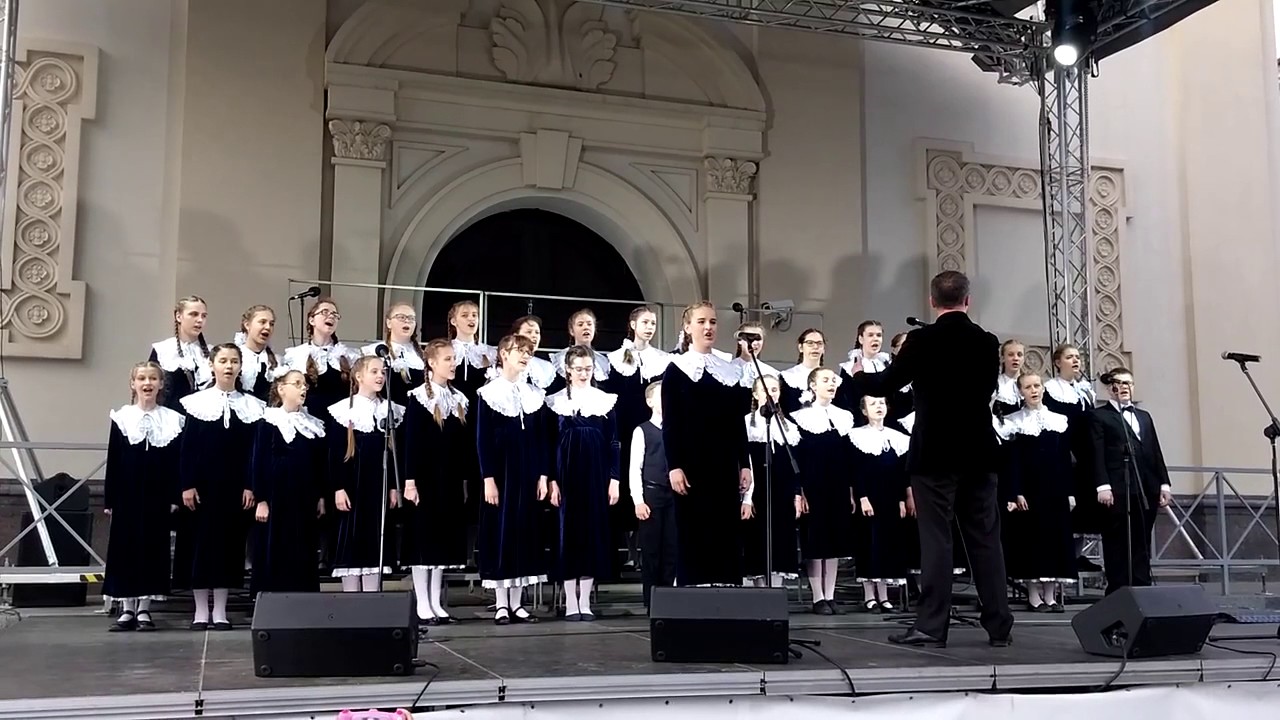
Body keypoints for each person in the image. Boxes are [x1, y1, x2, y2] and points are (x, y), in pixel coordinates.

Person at [847, 270, 1013, 647]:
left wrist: (859, 376)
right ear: (967, 300)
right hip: (979, 451)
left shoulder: (921, 340)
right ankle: (999, 625)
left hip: (935, 452)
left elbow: (886, 385)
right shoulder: (986, 341)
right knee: (986, 540)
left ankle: (932, 626)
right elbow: (988, 387)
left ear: (932, 301)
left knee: (937, 539)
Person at [1090, 367, 1172, 594]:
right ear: (1110, 388)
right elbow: (1096, 453)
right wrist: (1102, 485)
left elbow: (1155, 450)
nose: (1125, 387)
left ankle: (1142, 588)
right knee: (1117, 540)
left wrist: (1164, 483)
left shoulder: (1144, 417)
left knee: (1142, 539)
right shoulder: (1100, 416)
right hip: (1117, 487)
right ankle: (1119, 590)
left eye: (1129, 383)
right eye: (1120, 382)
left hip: (1146, 487)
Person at [629, 380, 676, 608]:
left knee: (671, 550)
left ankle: (668, 599)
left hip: (674, 497)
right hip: (652, 495)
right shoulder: (643, 430)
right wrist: (638, 500)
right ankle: (652, 601)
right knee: (651, 551)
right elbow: (635, 468)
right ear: (649, 402)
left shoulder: (676, 429)